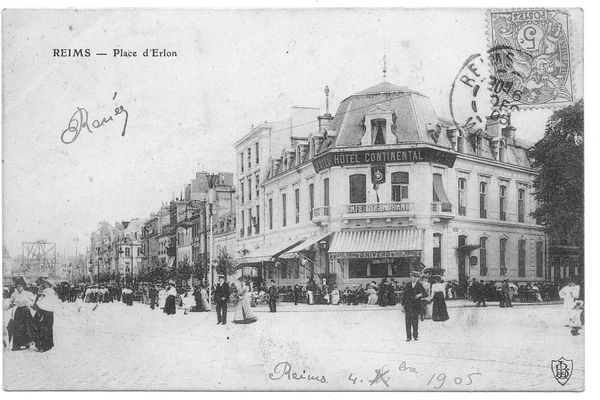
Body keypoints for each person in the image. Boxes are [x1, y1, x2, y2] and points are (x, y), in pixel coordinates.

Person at [32, 277, 59, 352]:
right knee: (48, 328)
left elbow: (40, 300)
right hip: (50, 312)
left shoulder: (46, 291)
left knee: (41, 328)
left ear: (48, 284)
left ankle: (43, 346)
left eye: (45, 283)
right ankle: (48, 345)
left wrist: (38, 294)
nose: (44, 284)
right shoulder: (53, 291)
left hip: (44, 311)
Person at [8, 277, 34, 351]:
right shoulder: (14, 294)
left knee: (25, 327)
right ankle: (16, 345)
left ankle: (26, 343)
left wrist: (29, 305)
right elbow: (11, 302)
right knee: (17, 328)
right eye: (17, 286)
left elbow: (32, 301)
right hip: (18, 311)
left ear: (23, 286)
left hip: (25, 311)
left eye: (20, 286)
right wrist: (10, 305)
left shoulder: (28, 293)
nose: (18, 288)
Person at [402, 272, 427, 342]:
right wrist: (402, 306)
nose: (414, 278)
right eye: (413, 276)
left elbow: (425, 294)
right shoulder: (407, 285)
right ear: (411, 277)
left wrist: (420, 295)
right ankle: (408, 337)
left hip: (416, 306)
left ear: (418, 278)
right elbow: (404, 296)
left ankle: (415, 335)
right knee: (408, 321)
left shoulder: (419, 285)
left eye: (416, 277)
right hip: (408, 305)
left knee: (415, 321)